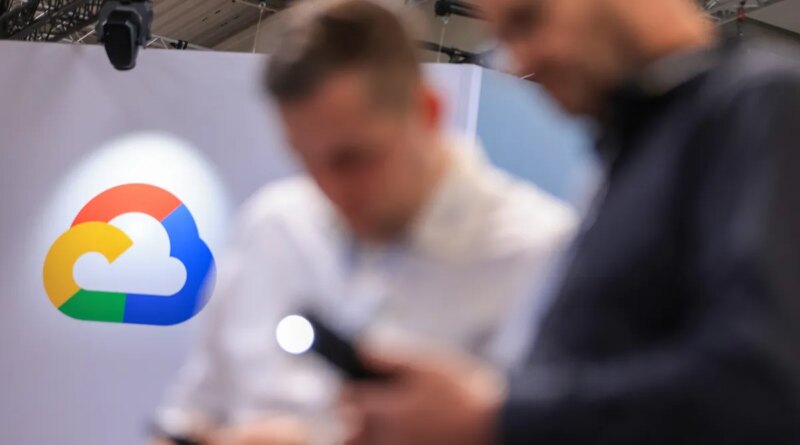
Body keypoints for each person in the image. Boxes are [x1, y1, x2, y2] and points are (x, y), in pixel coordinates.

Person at [339, 0, 800, 444]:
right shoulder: (633, 151)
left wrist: (497, 417)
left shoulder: (760, 105)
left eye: (529, 19)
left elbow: (761, 383)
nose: (522, 62)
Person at [150, 1, 576, 444]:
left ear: (427, 111)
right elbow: (188, 417)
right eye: (306, 161)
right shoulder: (273, 228)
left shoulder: (539, 255)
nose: (330, 189)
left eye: (352, 159)